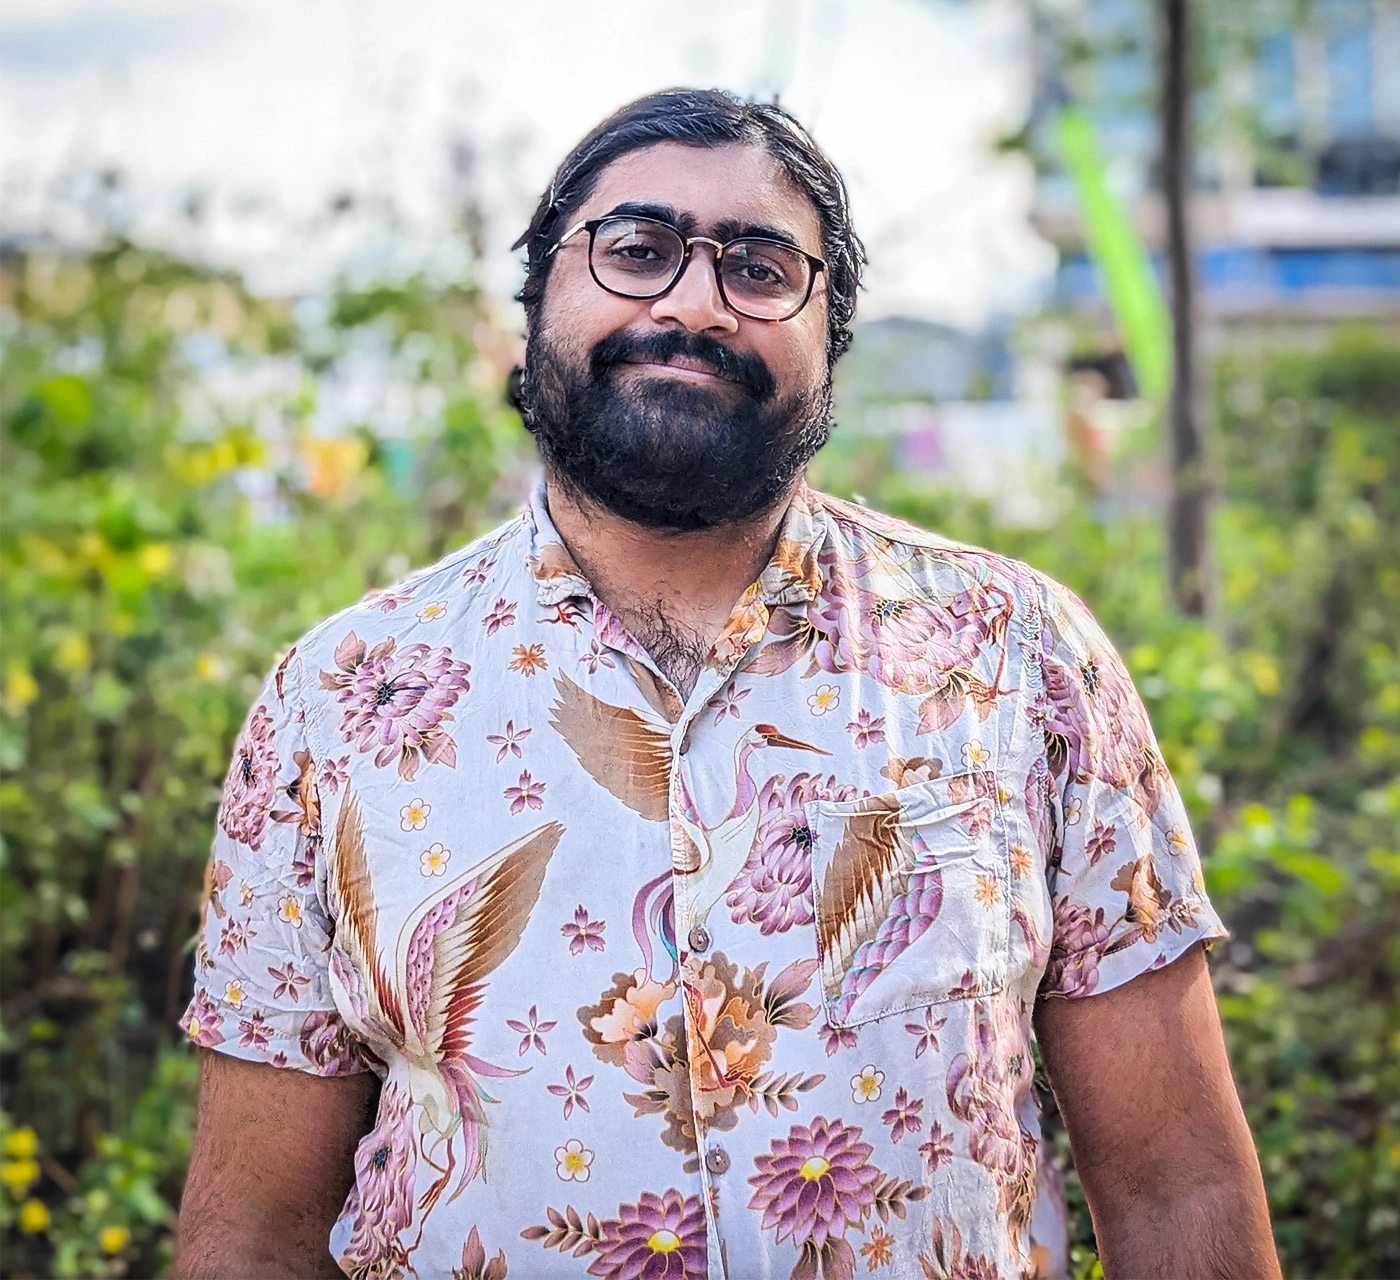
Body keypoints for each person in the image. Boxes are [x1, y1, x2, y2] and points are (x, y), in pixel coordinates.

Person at [174, 89, 1278, 1280]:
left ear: (828, 336)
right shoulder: (339, 697)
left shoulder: (1015, 655)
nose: (693, 302)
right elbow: (255, 1235)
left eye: (758, 267)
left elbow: (1177, 1187)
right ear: (539, 297)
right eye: (636, 250)